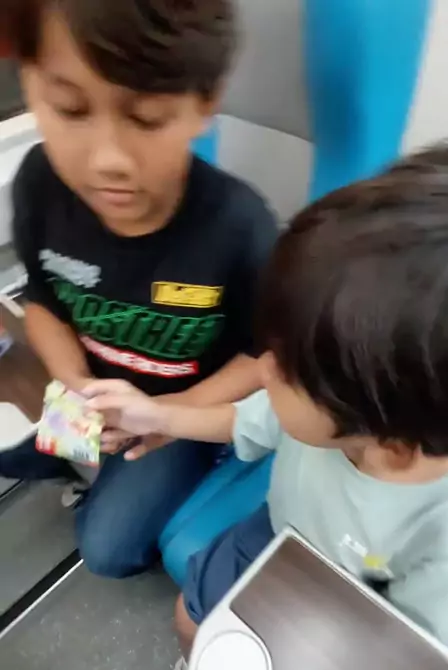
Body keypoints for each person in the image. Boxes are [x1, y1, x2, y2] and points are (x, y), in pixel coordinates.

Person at [87, 144, 448, 670]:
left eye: (288, 368)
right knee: (190, 618)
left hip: (356, 618)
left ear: (390, 434)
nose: (263, 368)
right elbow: (242, 420)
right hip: (276, 539)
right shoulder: (322, 408)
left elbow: (407, 656)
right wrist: (160, 415)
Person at [0, 0, 277, 577]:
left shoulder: (240, 226)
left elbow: (263, 357)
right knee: (26, 457)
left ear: (205, 103)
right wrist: (76, 385)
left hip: (185, 407)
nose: (109, 162)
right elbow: (44, 302)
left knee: (107, 549)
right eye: (70, 109)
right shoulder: (39, 184)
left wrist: (163, 416)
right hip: (94, 390)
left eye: (147, 118)